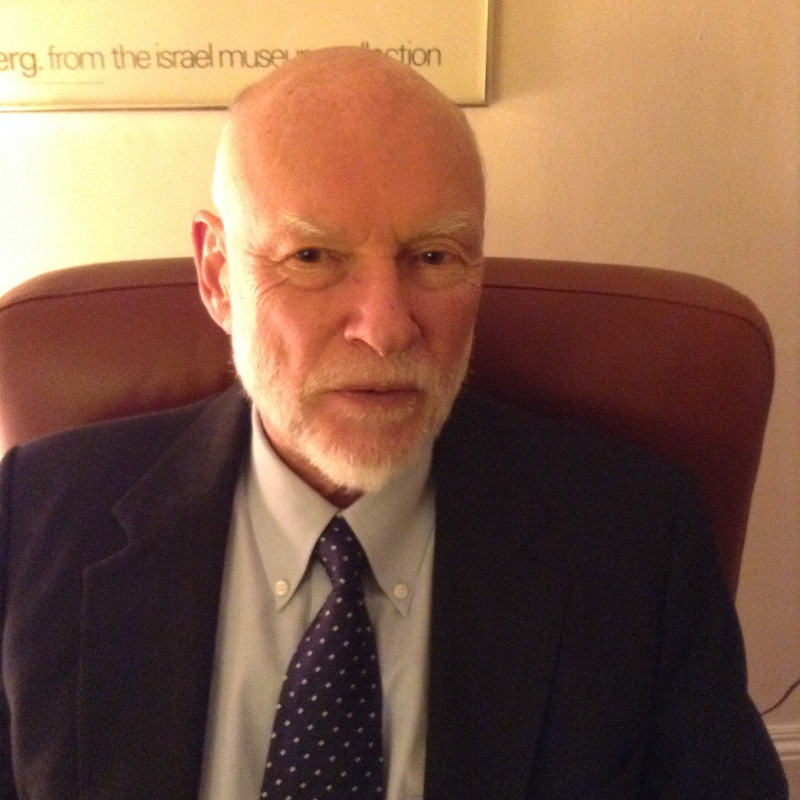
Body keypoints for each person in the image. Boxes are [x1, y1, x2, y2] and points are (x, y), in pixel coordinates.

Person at [0, 46, 787, 800]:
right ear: (217, 277)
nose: (386, 328)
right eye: (312, 258)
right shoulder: (35, 517)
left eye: (436, 257)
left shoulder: (634, 542)